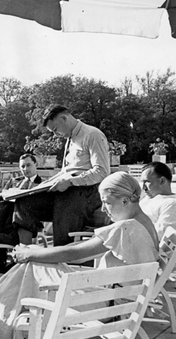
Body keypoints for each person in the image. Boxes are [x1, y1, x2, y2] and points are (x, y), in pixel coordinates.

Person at [0, 171, 159, 339]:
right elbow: (79, 248)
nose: (103, 209)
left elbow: (75, 255)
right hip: (118, 304)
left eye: (106, 202)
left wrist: (28, 253)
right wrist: (35, 251)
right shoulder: (144, 224)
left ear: (125, 201)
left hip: (106, 308)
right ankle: (4, 330)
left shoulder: (125, 228)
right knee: (33, 264)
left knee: (32, 265)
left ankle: (2, 331)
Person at [13, 104, 110, 246]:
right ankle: (25, 252)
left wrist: (71, 182)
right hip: (70, 190)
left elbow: (102, 172)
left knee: (64, 204)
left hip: (89, 191)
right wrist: (39, 187)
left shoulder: (92, 135)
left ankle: (64, 258)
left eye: (55, 129)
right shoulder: (70, 139)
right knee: (24, 203)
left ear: (64, 118)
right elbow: (65, 172)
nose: (55, 134)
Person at [139, 162, 176, 240]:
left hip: (144, 248)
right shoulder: (148, 199)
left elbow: (161, 237)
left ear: (162, 181)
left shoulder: (171, 205)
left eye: (147, 182)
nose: (143, 187)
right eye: (142, 182)